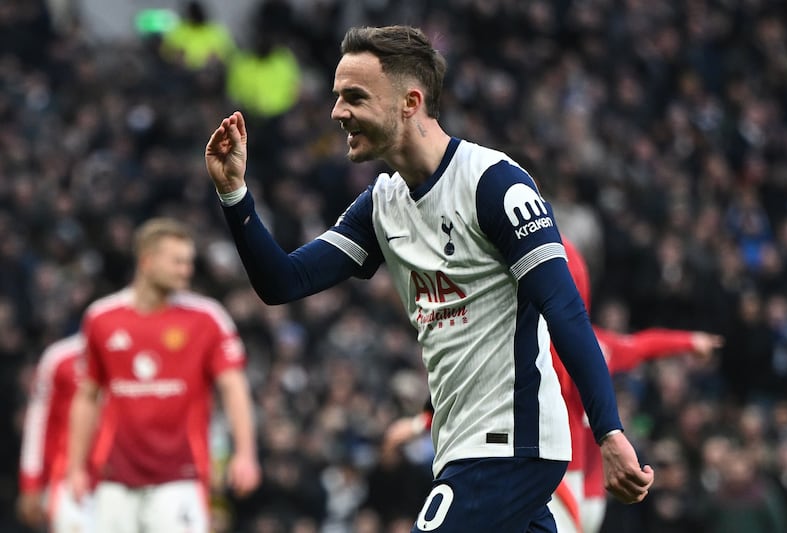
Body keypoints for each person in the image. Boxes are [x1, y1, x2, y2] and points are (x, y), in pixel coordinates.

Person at [205, 25, 653, 532]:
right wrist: (234, 195)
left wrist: (610, 432)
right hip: (459, 444)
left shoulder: (493, 183)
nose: (337, 112)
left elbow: (565, 310)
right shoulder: (381, 205)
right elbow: (283, 282)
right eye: (337, 97)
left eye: (354, 97)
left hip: (510, 440)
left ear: (409, 102)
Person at [384, 238, 723, 533]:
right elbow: (644, 345)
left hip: (548, 474)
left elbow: (474, 385)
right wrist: (691, 341)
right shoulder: (598, 346)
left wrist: (418, 424)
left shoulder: (529, 344)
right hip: (588, 490)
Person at [67, 217, 261, 533]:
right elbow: (87, 396)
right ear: (147, 261)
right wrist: (75, 467)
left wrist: (245, 455)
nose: (187, 270)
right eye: (178, 262)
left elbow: (234, 387)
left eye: (189, 262)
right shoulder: (102, 318)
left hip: (180, 475)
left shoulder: (207, 318)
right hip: (114, 476)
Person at [18, 333, 94, 533]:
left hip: (133, 478)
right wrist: (31, 481)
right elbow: (38, 421)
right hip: (68, 481)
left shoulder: (145, 348)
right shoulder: (61, 357)